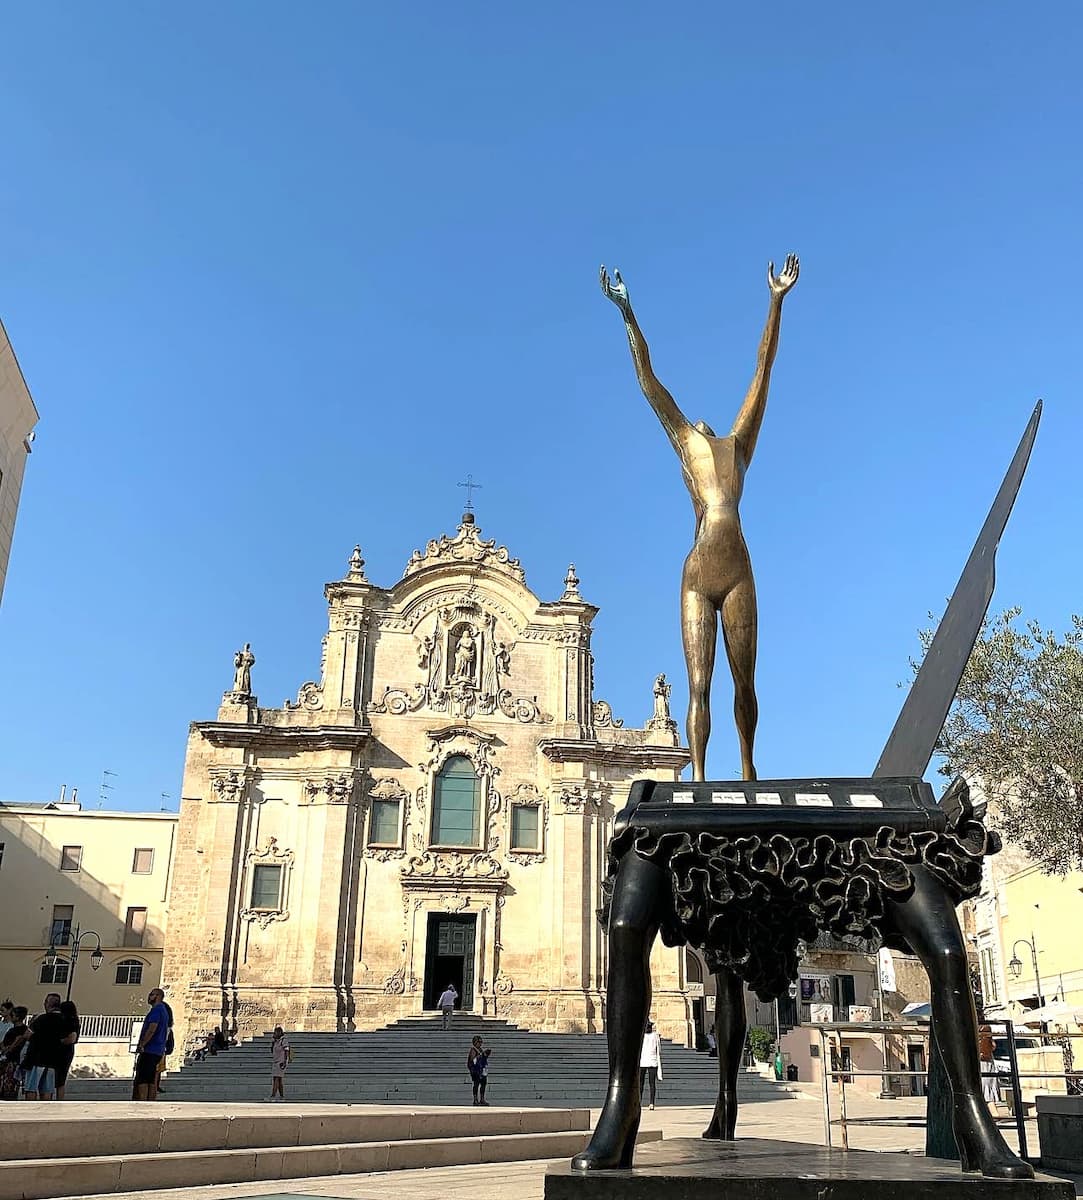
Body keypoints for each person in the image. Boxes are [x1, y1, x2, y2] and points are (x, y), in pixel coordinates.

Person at [23, 993, 68, 1100]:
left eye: (46, 1002)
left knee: (31, 1087)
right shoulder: (64, 1020)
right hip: (53, 1060)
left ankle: (29, 1109)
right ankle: (45, 1109)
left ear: (49, 1004)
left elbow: (27, 1035)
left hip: (36, 1058)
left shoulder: (42, 1019)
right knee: (47, 1089)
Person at [133, 988, 170, 1101]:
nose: (149, 996)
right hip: (158, 1050)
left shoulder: (156, 1010)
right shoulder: (164, 1011)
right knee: (151, 1079)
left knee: (143, 1079)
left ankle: (142, 1102)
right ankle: (150, 1101)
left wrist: (142, 1044)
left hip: (150, 1050)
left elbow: (151, 1029)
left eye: (151, 994)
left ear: (158, 996)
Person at [1, 1006, 29, 1101]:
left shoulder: (13, 1031)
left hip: (11, 1060)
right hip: (18, 1060)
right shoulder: (26, 1030)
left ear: (17, 1017)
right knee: (13, 1083)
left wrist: (7, 1049)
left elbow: (7, 1045)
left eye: (12, 1015)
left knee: (8, 1082)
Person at [55, 1001, 80, 1100]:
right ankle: (59, 1099)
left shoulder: (69, 1021)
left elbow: (72, 1037)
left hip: (63, 1051)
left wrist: (60, 1041)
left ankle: (59, 1099)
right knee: (61, 1079)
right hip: (68, 1051)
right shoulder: (75, 1020)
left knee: (59, 1078)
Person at [639, 1021, 662, 1110]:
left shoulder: (642, 1036)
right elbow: (658, 1049)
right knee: (651, 1083)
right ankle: (651, 1103)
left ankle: (640, 1102)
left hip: (644, 1061)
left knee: (642, 1083)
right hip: (651, 1061)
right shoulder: (655, 1036)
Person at [154, 999, 174, 1095]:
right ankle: (155, 1087)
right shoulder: (168, 1028)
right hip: (161, 1051)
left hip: (156, 1050)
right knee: (157, 1071)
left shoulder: (161, 1026)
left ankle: (154, 1087)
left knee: (155, 1071)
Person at [467, 1035, 492, 1106]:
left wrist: (485, 1054)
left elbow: (482, 1059)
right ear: (475, 1042)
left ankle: (482, 1099)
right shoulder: (473, 1050)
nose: (480, 1044)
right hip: (476, 1071)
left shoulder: (480, 1049)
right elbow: (473, 1061)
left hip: (482, 1070)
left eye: (481, 1042)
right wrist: (481, 1055)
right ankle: (475, 1099)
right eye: (479, 1042)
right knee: (476, 1084)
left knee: (483, 1084)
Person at [270, 1026, 290, 1101]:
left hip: (281, 1062)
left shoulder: (283, 1040)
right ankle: (282, 1096)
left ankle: (273, 1095)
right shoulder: (276, 1041)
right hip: (275, 1061)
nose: (274, 1034)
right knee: (279, 1079)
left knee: (276, 1078)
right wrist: (273, 1042)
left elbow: (287, 1051)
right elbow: (272, 1051)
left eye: (275, 1032)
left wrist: (285, 1062)